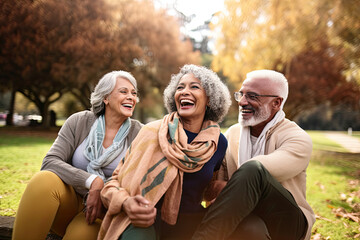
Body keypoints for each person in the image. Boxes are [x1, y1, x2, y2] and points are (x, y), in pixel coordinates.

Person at [98, 64, 232, 240]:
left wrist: (220, 191)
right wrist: (126, 202)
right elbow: (113, 182)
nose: (184, 91)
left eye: (194, 87)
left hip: (192, 226)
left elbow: (210, 189)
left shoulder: (217, 142)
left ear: (210, 99)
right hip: (145, 222)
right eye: (180, 87)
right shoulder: (152, 132)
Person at [12, 70, 143, 240]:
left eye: (134, 93)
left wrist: (104, 193)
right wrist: (93, 181)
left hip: (101, 211)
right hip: (68, 201)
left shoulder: (139, 133)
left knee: (80, 235)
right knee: (43, 180)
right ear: (106, 98)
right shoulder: (79, 121)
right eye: (123, 91)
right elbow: (50, 162)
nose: (131, 97)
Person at [192, 70, 315, 240]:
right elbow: (213, 190)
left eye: (252, 96)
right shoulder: (232, 134)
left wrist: (228, 188)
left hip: (288, 224)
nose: (242, 102)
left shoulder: (297, 138)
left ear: (276, 103)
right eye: (241, 94)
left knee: (254, 169)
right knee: (249, 228)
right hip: (248, 217)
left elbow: (256, 174)